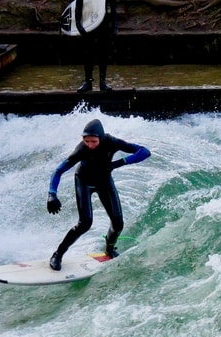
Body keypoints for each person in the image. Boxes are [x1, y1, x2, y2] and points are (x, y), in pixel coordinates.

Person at [46, 118, 150, 270]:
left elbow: (144, 151)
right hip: (84, 181)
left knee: (118, 223)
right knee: (85, 223)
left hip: (104, 182)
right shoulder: (81, 150)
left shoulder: (112, 142)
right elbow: (58, 171)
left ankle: (109, 249)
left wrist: (118, 163)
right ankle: (58, 254)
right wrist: (52, 194)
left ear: (100, 138)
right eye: (86, 141)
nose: (90, 145)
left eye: (93, 141)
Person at [75, 0, 116, 93]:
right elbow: (79, 3)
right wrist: (78, 22)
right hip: (87, 21)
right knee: (88, 53)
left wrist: (114, 26)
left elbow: (113, 6)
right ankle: (88, 82)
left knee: (103, 52)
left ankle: (102, 81)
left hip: (103, 22)